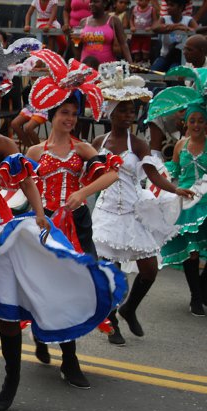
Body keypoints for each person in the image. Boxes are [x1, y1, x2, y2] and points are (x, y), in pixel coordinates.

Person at [0, 36, 125, 411]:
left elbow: (27, 181)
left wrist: (37, 214)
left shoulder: (2, 144)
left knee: (6, 311)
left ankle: (11, 382)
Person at [27, 49, 122, 385]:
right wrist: (38, 214)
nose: (69, 118)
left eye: (74, 114)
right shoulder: (35, 152)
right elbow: (26, 187)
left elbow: (112, 173)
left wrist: (83, 193)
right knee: (46, 287)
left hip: (77, 225)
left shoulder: (83, 149)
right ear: (52, 114)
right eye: (64, 113)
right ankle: (46, 338)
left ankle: (69, 359)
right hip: (46, 224)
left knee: (81, 286)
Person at [91, 62, 193, 345]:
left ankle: (129, 308)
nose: (129, 114)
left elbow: (153, 175)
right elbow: (88, 175)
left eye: (132, 109)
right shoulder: (99, 142)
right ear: (111, 112)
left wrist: (175, 188)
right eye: (123, 109)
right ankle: (111, 319)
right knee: (111, 271)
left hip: (134, 212)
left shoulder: (138, 144)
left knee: (149, 269)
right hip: (107, 214)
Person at [147, 70, 207, 315]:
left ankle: (203, 288)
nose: (195, 125)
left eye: (200, 120)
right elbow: (173, 170)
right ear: (186, 123)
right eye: (191, 121)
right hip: (186, 202)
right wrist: (163, 187)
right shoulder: (181, 145)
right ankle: (195, 296)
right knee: (191, 252)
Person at [152, 0, 197, 71]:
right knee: (153, 72)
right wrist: (177, 26)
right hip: (164, 56)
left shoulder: (189, 20)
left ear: (180, 7)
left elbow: (196, 32)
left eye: (172, 5)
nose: (168, 7)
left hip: (180, 58)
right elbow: (155, 28)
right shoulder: (164, 19)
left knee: (173, 74)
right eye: (168, 5)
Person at [130, 0, 158, 66]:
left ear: (147, 1)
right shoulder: (134, 9)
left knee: (145, 53)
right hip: (136, 35)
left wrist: (151, 27)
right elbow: (131, 19)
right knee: (136, 53)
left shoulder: (151, 9)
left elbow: (155, 21)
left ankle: (145, 66)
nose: (139, 1)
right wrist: (132, 26)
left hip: (146, 35)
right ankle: (137, 66)